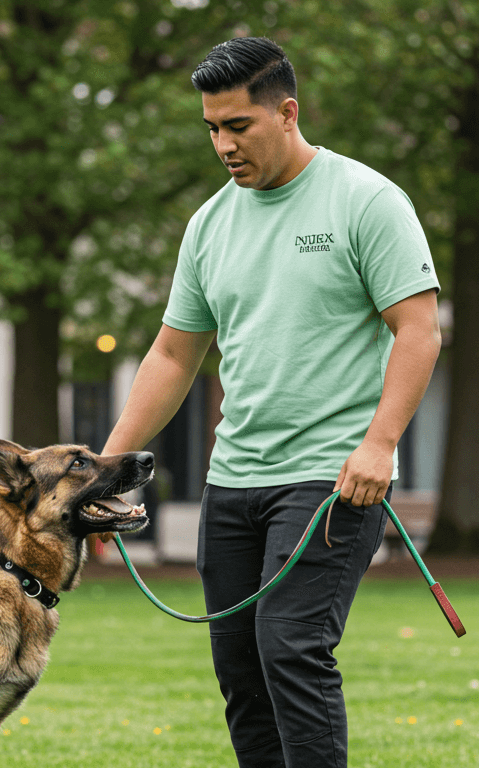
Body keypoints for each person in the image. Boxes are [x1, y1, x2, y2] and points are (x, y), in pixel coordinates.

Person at [101, 37, 442, 768]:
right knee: (242, 676)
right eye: (212, 129)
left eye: (238, 127)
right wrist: (106, 466)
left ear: (287, 113)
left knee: (290, 646)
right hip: (233, 481)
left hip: (330, 479)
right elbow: (172, 354)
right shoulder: (209, 225)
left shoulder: (366, 200)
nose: (223, 145)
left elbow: (418, 331)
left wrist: (380, 444)